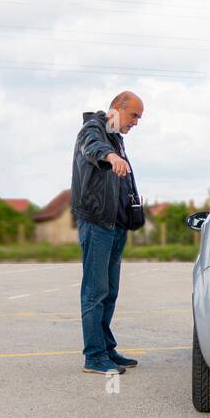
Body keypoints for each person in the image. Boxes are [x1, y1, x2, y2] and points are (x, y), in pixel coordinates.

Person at [70, 91, 145, 374]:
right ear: (116, 109)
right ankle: (94, 356)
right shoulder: (93, 129)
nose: (136, 122)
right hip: (97, 224)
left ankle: (106, 348)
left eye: (139, 117)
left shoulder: (116, 138)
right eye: (133, 115)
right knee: (95, 291)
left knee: (109, 291)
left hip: (116, 226)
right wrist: (110, 156)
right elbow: (93, 147)